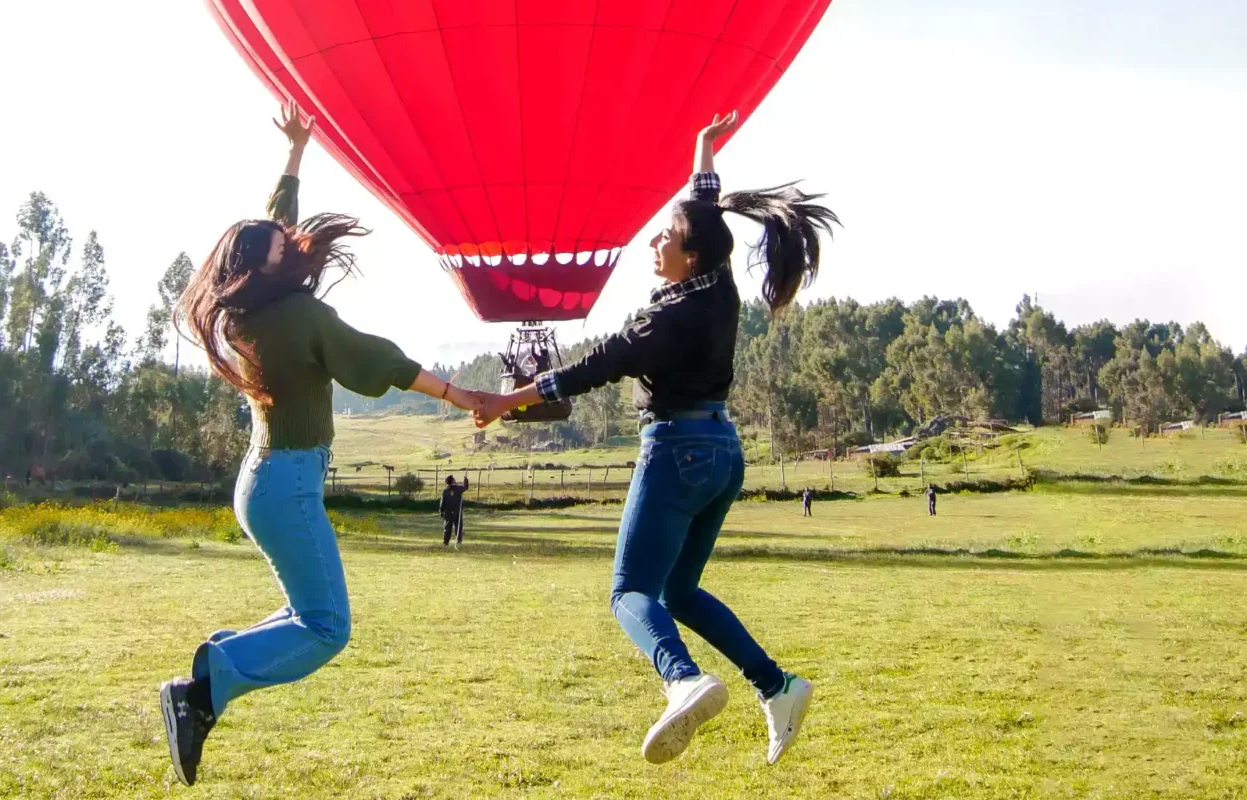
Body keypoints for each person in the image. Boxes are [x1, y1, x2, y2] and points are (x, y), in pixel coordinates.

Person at [475, 111, 838, 766]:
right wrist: (702, 152)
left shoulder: (657, 323)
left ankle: (682, 679)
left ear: (688, 254)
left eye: (662, 237)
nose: (651, 243)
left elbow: (579, 374)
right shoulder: (720, 286)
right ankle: (777, 687)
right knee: (681, 591)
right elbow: (703, 207)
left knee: (630, 593)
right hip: (725, 451)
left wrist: (506, 401)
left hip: (676, 451)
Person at [157, 103, 483, 787]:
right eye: (284, 243)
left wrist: (295, 155)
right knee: (327, 628)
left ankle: (215, 668)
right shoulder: (300, 317)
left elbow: (268, 226)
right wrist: (461, 396)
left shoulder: (246, 310)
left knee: (306, 615)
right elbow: (374, 361)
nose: (293, 239)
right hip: (288, 487)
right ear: (269, 267)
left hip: (264, 484)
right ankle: (207, 684)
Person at [439, 475, 470, 546]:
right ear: (453, 481)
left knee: (447, 528)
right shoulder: (458, 489)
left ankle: (445, 542)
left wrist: (441, 511)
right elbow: (466, 487)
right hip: (457, 513)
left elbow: (442, 502)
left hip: (448, 513)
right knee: (458, 527)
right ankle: (458, 541)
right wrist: (466, 480)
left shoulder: (445, 491)